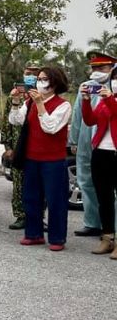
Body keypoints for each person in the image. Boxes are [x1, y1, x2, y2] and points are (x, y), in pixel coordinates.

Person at [9, 66, 72, 251]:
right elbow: (16, 120)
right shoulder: (29, 102)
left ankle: (57, 238)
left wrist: (40, 105)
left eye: (44, 79)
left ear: (54, 83)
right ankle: (33, 234)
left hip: (53, 161)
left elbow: (50, 127)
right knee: (31, 198)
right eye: (39, 78)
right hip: (31, 158)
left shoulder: (63, 105)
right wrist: (15, 101)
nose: (40, 82)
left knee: (55, 200)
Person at [69, 52, 117, 237]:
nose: (97, 71)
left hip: (110, 143)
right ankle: (92, 222)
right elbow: (78, 115)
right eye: (94, 68)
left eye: (102, 68)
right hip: (87, 140)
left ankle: (111, 227)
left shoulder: (113, 86)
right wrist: (73, 139)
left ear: (113, 68)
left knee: (110, 188)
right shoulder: (87, 86)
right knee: (86, 181)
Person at [81, 62, 117, 258]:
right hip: (101, 151)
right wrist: (86, 100)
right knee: (104, 197)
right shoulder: (104, 100)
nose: (115, 82)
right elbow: (90, 120)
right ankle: (107, 237)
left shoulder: (109, 100)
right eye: (114, 78)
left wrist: (110, 99)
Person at [0, 62, 42, 230]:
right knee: (18, 184)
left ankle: (38, 216)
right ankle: (20, 216)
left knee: (38, 185)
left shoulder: (41, 96)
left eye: (34, 73)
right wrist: (8, 147)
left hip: (36, 147)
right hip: (18, 148)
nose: (30, 75)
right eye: (28, 72)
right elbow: (6, 124)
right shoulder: (14, 96)